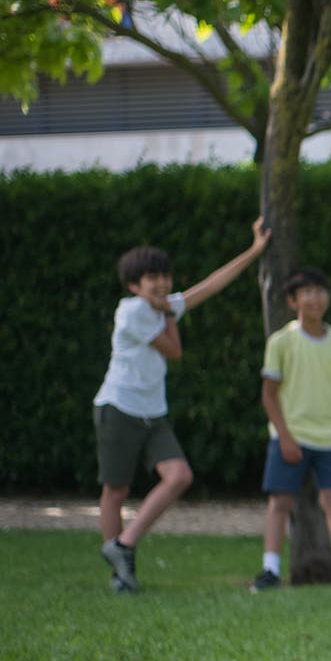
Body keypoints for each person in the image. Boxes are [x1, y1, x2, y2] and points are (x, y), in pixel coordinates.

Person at [92, 218, 270, 593]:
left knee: (180, 476)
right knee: (116, 490)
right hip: (118, 406)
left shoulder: (164, 307)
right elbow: (174, 351)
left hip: (152, 412)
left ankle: (123, 545)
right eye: (151, 277)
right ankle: (120, 574)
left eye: (164, 275)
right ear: (133, 285)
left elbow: (211, 285)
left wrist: (253, 251)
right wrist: (170, 310)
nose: (161, 282)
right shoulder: (133, 311)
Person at [251, 267, 331, 591]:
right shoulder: (280, 342)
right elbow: (268, 393)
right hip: (289, 437)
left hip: (328, 440)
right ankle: (269, 571)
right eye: (306, 292)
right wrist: (284, 435)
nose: (314, 298)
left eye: (320, 290)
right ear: (293, 301)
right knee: (280, 503)